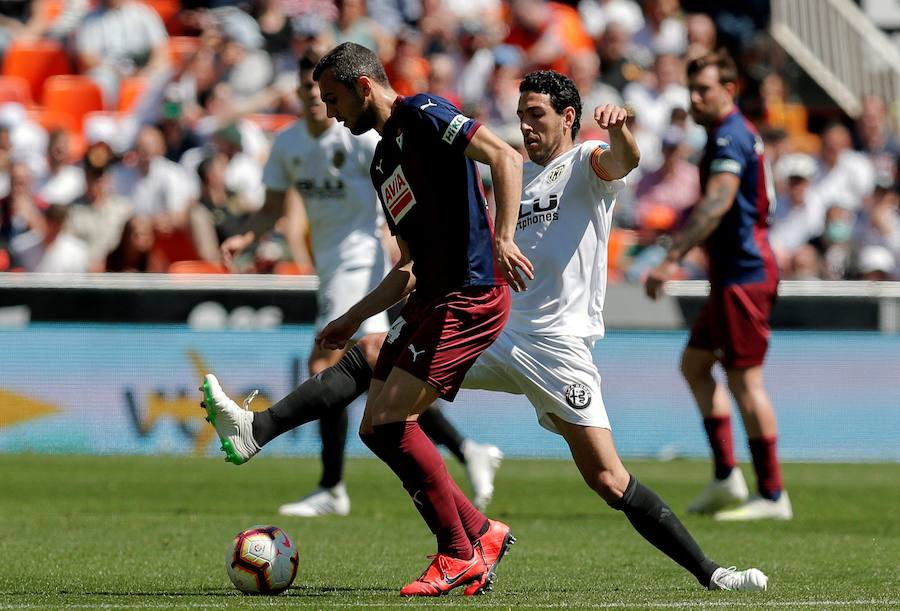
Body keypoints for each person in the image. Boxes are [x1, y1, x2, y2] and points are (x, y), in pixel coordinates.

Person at [201, 59, 769, 596]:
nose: (526, 126)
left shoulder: (586, 163)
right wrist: (353, 316)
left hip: (558, 349)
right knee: (373, 358)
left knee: (608, 480)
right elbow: (423, 255)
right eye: (520, 116)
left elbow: (624, 160)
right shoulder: (506, 182)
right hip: (496, 329)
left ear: (569, 118)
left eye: (537, 115)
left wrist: (619, 131)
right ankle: (270, 435)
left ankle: (712, 573)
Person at [212, 52, 504, 518]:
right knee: (377, 393)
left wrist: (503, 238)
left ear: (363, 88)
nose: (327, 110)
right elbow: (408, 260)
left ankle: (328, 482)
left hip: (434, 283)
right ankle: (469, 465)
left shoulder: (417, 117)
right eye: (317, 97)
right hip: (403, 287)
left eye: (331, 98)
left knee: (360, 387)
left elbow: (502, 155)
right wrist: (354, 315)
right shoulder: (377, 158)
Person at [645, 51, 793, 521]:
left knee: (746, 383)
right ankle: (728, 476)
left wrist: (671, 257)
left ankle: (772, 496)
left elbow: (719, 202)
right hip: (731, 275)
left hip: (745, 276)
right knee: (694, 365)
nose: (695, 98)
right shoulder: (726, 135)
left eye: (704, 89)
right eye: (692, 89)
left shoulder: (730, 136)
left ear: (728, 90)